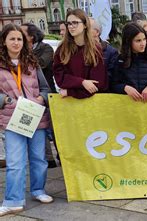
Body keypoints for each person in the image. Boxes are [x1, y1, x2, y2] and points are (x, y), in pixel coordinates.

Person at [0, 23, 53, 216]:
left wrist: (41, 99)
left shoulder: (32, 63)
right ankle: (14, 200)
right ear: (4, 42)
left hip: (35, 116)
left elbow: (47, 89)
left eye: (19, 39)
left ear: (24, 42)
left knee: (39, 159)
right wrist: (4, 99)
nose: (16, 42)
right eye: (12, 39)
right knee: (15, 162)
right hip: (12, 119)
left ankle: (38, 190)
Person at [20, 23, 58, 168]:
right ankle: (49, 160)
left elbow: (41, 63)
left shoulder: (45, 48)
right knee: (38, 128)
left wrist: (26, 57)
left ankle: (62, 155)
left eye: (22, 33)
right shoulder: (20, 52)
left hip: (47, 93)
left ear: (31, 36)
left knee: (55, 128)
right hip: (29, 97)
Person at [53, 9, 107, 99]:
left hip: (90, 103)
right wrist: (82, 82)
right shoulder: (62, 49)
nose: (71, 26)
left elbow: (97, 85)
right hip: (68, 102)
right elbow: (60, 78)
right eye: (69, 23)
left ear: (85, 25)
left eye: (75, 23)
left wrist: (70, 92)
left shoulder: (95, 49)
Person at [110, 22, 147, 100]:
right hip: (127, 108)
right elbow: (112, 85)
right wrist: (125, 88)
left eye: (144, 39)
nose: (143, 43)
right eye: (138, 41)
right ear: (128, 42)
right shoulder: (120, 60)